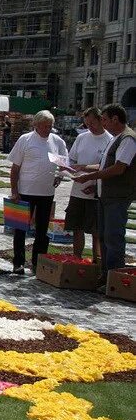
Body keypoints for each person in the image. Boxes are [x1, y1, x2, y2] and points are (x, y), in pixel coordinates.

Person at [71, 104, 136, 289]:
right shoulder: (115, 138)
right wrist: (82, 168)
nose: (103, 123)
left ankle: (114, 279)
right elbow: (102, 166)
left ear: (115, 119)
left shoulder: (128, 139)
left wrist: (89, 177)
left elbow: (118, 168)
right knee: (104, 236)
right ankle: (105, 275)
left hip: (117, 196)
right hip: (104, 195)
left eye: (105, 119)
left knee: (113, 237)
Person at [8, 110, 68, 275]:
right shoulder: (25, 140)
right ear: (36, 125)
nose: (47, 129)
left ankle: (38, 262)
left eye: (50, 126)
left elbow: (64, 164)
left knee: (42, 231)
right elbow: (15, 168)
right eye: (44, 126)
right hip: (25, 191)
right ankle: (18, 262)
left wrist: (60, 176)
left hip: (46, 193)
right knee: (20, 229)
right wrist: (14, 191)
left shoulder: (58, 141)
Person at [62, 107, 112, 262]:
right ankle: (77, 258)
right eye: (87, 123)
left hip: (96, 192)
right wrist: (68, 169)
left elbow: (106, 167)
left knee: (96, 230)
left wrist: (94, 182)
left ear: (100, 120)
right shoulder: (82, 138)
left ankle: (97, 261)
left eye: (92, 122)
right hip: (78, 190)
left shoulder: (109, 140)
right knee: (77, 227)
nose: (89, 126)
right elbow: (72, 160)